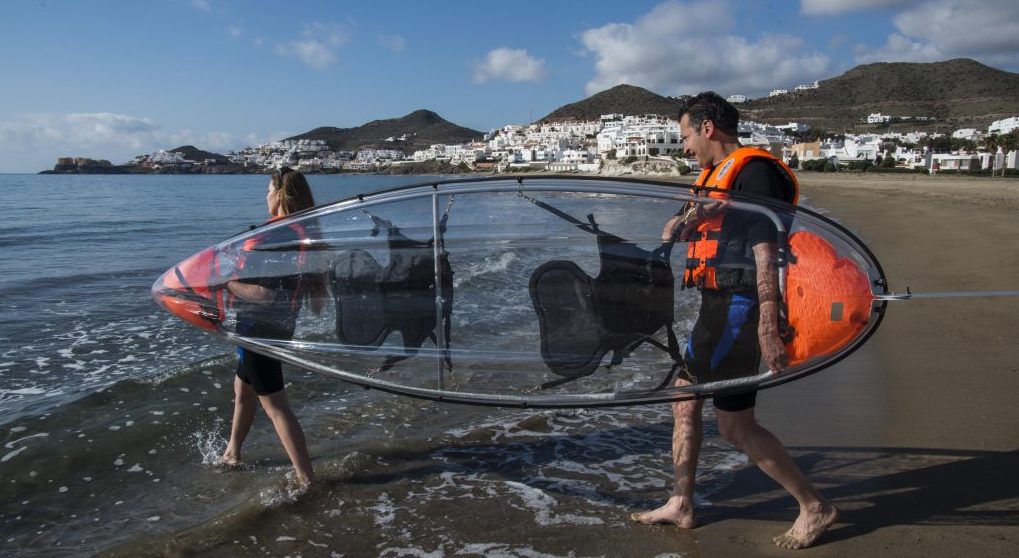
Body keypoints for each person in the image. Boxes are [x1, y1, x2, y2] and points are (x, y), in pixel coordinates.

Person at [630, 92, 839, 549]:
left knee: (735, 426)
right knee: (684, 399)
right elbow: (698, 223)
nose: (684, 147)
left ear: (707, 128)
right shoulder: (715, 178)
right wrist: (681, 222)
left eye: (685, 136)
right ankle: (681, 501)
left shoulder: (755, 171)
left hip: (742, 306)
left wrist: (768, 320)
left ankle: (814, 506)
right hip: (716, 305)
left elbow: (765, 244)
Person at [219, 167, 326, 486]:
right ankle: (232, 453)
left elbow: (267, 295)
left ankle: (307, 480)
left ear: (279, 195)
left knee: (276, 406)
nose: (265, 196)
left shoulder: (276, 239)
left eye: (268, 190)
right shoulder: (297, 234)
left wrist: (226, 283)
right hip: (273, 327)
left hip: (260, 329)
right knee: (243, 391)